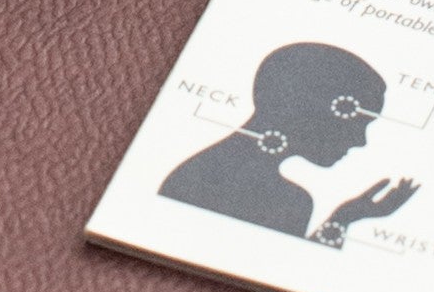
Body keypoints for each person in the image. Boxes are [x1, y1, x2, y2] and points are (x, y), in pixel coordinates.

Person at [158, 42, 420, 246]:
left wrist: (346, 216)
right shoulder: (286, 200)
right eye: (356, 122)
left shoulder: (197, 170)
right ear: (304, 108)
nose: (359, 141)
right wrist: (342, 220)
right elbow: (286, 278)